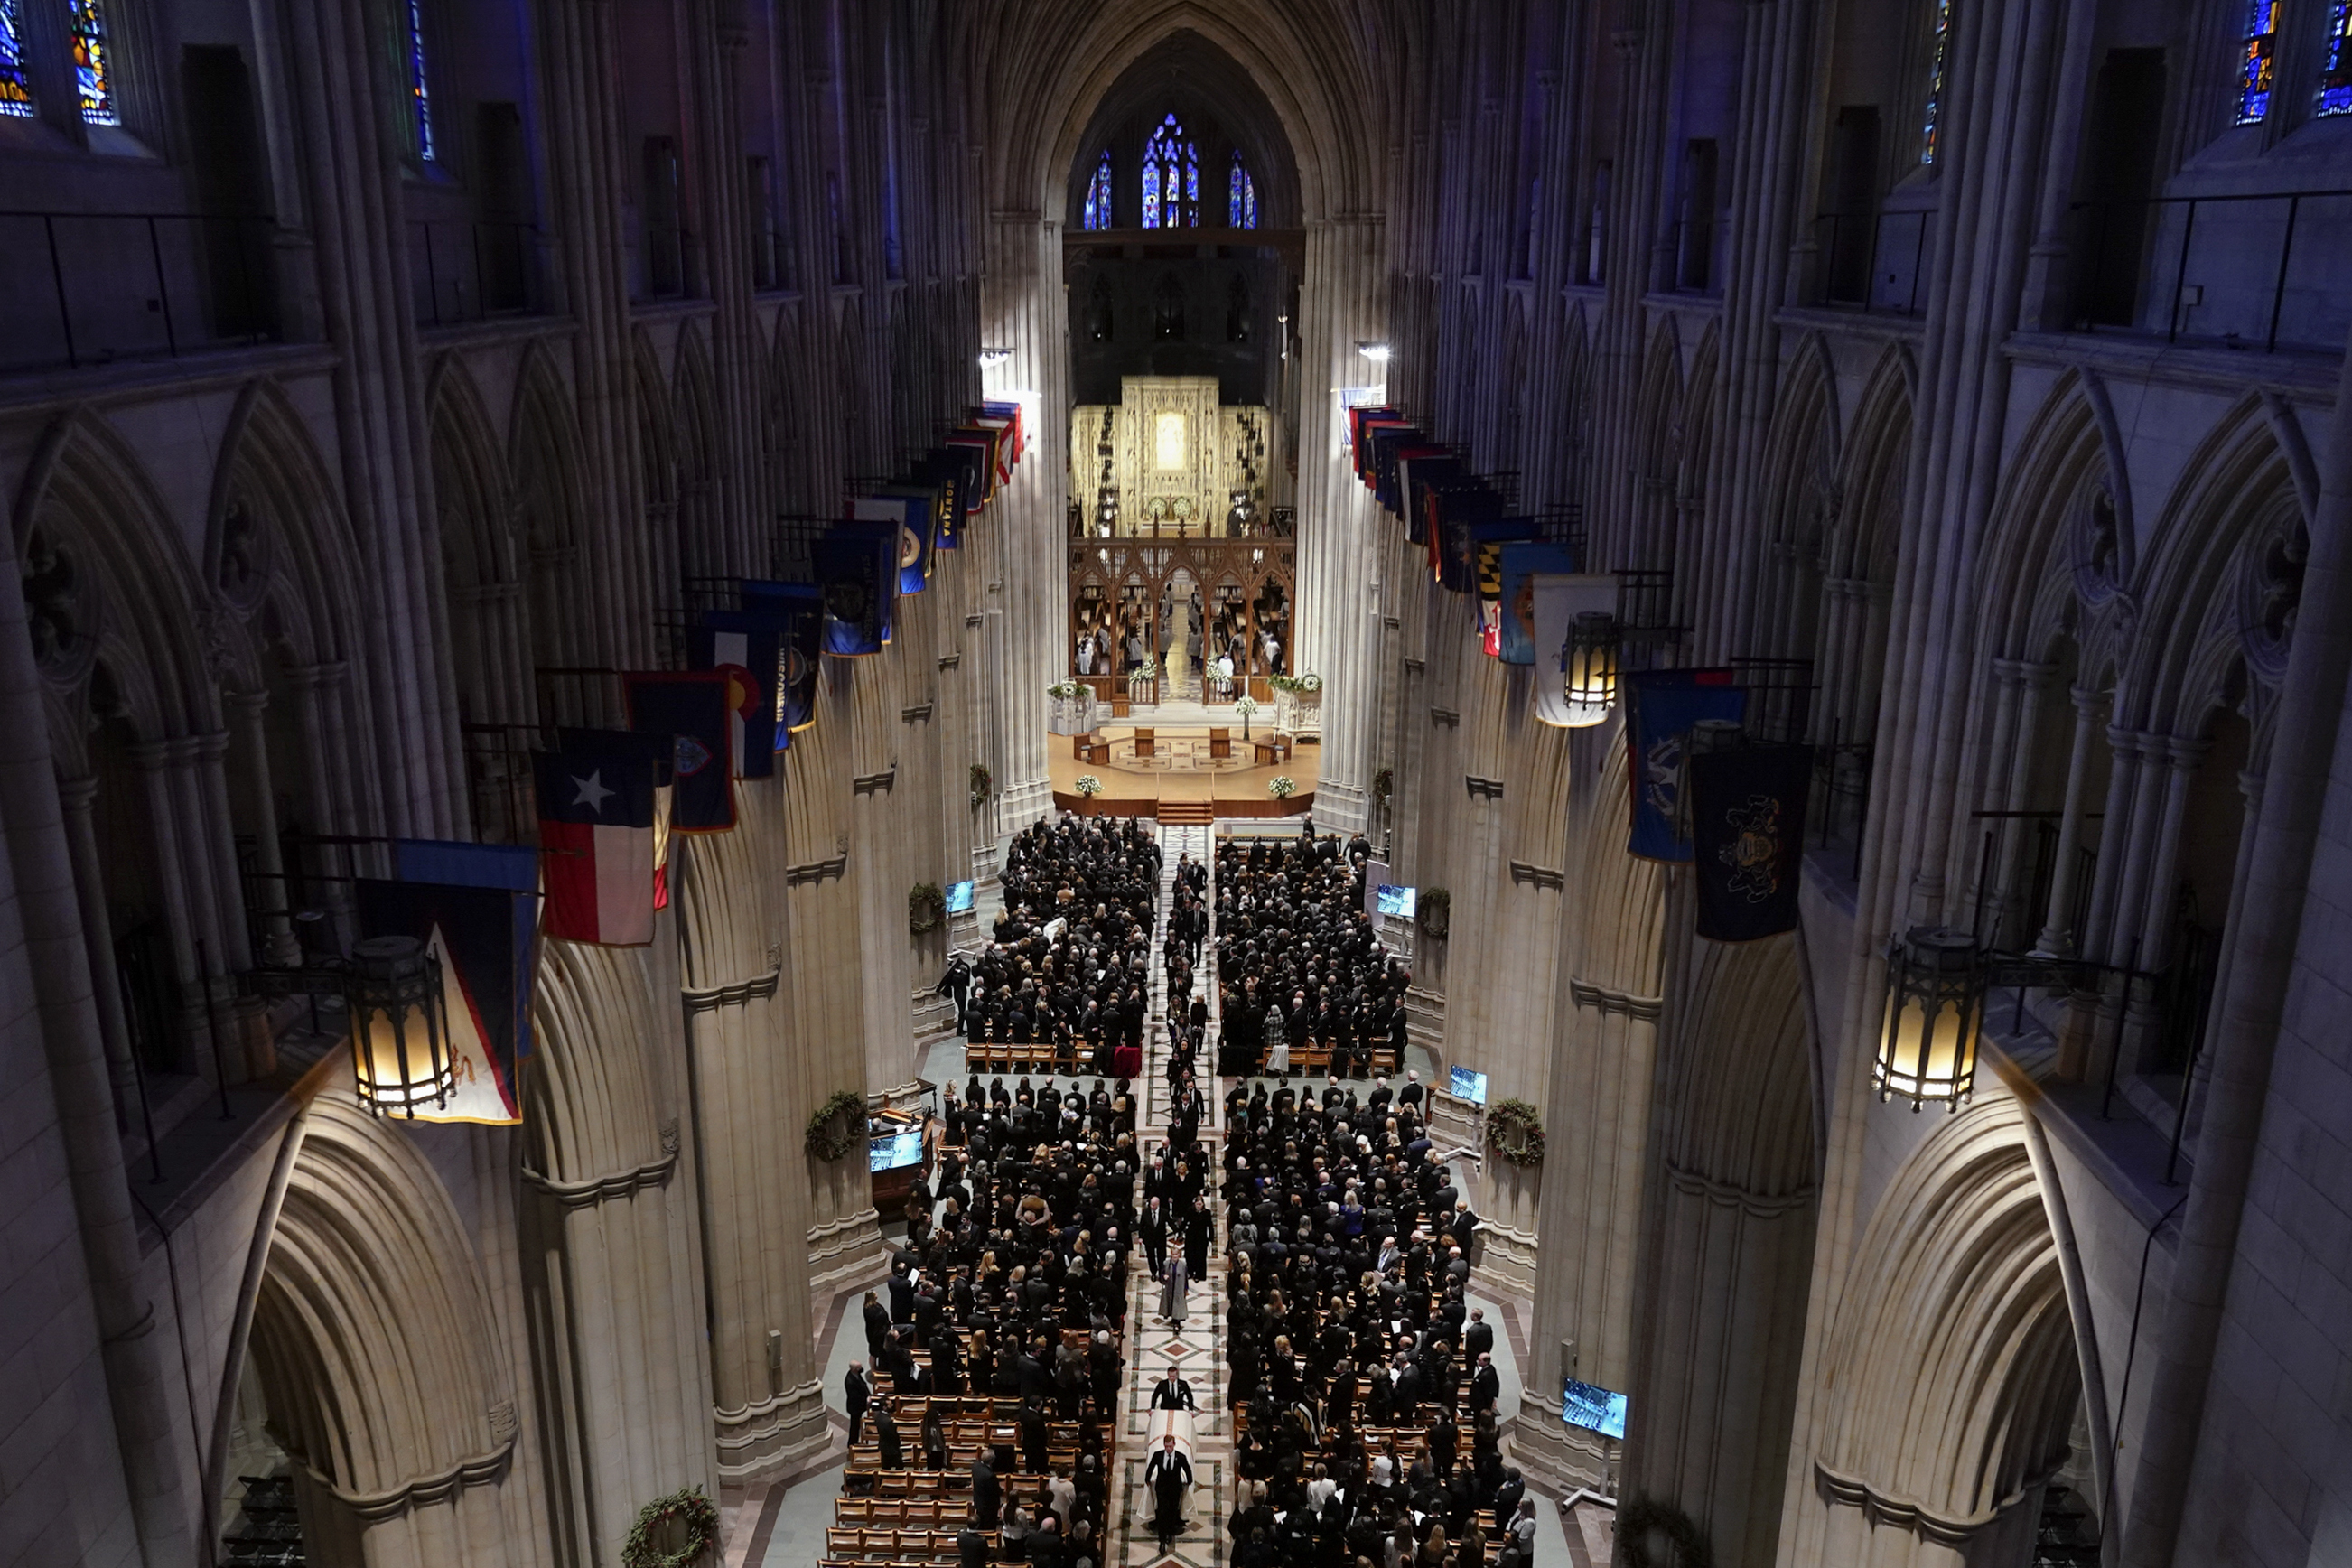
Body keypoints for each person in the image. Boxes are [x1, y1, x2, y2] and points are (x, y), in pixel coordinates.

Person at [1146, 1433, 1193, 1547]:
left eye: (1170, 1446)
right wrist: (1147, 1480)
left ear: (1174, 1445)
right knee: (1162, 1512)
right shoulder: (1158, 1456)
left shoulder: (1180, 1457)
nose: (1168, 1449)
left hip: (1175, 1489)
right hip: (1162, 1489)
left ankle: (1170, 1533)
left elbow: (1187, 1469)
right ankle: (1162, 1539)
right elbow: (1151, 1467)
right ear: (1164, 1445)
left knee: (1172, 1511)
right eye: (1167, 1446)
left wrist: (1189, 1481)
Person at [844, 1360, 871, 1446]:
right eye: (859, 1368)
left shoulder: (856, 1374)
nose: (861, 1369)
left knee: (857, 1425)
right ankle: (852, 1443)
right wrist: (866, 1400)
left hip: (860, 1403)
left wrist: (868, 1395)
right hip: (855, 1406)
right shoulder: (850, 1381)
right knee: (855, 1426)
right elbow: (855, 1396)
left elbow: (863, 1384)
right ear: (854, 1369)